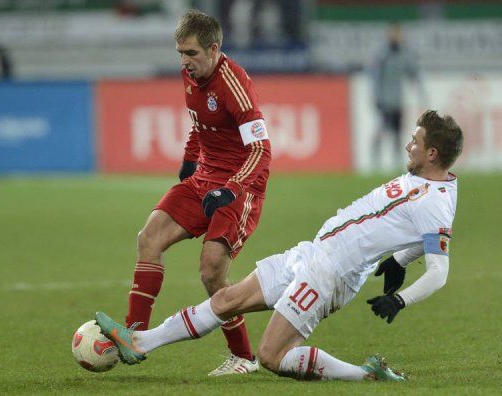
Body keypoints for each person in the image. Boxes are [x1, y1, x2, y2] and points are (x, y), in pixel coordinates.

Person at [98, 110, 462, 381]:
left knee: (271, 356)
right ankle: (140, 342)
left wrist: (401, 299)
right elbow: (420, 235)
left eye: (415, 141)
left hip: (331, 273)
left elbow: (439, 272)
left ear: (432, 154)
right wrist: (400, 259)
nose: (408, 145)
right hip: (313, 253)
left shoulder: (436, 201)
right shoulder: (426, 182)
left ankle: (364, 375)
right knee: (226, 301)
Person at [124, 9, 271, 376]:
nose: (185, 62)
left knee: (211, 273)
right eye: (180, 54)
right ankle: (132, 337)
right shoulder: (190, 76)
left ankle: (243, 358)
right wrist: (190, 161)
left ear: (214, 48)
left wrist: (232, 189)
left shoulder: (234, 85)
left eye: (191, 53)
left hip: (239, 187)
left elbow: (260, 150)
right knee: (149, 237)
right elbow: (199, 124)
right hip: (203, 178)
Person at [370, 23, 427, 170]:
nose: (397, 37)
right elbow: (375, 77)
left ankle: (396, 163)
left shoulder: (404, 54)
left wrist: (421, 94)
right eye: (394, 33)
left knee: (397, 133)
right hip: (384, 101)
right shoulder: (383, 54)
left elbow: (413, 74)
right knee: (381, 130)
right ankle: (374, 162)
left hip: (397, 101)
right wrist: (376, 97)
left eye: (399, 34)